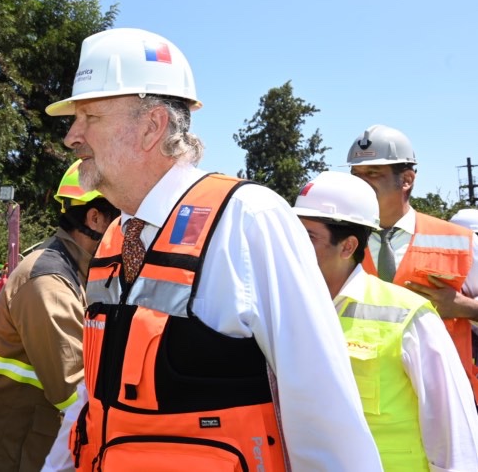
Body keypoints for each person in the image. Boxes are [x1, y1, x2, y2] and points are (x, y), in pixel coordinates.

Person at [42, 28, 382, 471]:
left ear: (151, 126)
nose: (72, 136)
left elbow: (323, 412)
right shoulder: (114, 238)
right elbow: (93, 399)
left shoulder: (248, 219)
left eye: (90, 117)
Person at [293, 170, 478, 469]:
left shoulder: (410, 317)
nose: (294, 247)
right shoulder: (283, 310)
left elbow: (455, 437)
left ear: (348, 246)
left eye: (309, 237)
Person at [0, 160, 118, 472]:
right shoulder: (49, 284)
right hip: (12, 458)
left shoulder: (80, 271)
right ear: (96, 218)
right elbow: (75, 394)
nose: (132, 230)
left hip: (31, 450)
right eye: (124, 217)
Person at [346, 124, 478, 403]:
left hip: (445, 401)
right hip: (365, 404)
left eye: (372, 174)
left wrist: (462, 307)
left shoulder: (462, 241)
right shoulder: (338, 241)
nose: (360, 184)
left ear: (406, 179)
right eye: (356, 174)